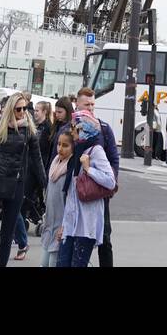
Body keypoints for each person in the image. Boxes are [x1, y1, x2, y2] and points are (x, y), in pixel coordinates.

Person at [0, 90, 46, 268]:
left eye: (25, 109)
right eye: (18, 109)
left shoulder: (30, 131)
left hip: (16, 184)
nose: (22, 112)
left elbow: (37, 160)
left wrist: (46, 187)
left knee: (7, 234)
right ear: (10, 109)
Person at [55, 112, 115, 267]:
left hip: (86, 224)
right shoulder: (77, 153)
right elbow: (70, 194)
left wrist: (89, 169)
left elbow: (110, 181)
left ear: (84, 130)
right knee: (61, 263)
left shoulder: (96, 151)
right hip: (71, 224)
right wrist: (64, 224)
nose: (72, 133)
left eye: (75, 129)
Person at [75, 83, 120, 267]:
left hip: (99, 191)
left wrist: (112, 184)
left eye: (93, 104)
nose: (91, 108)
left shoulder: (104, 128)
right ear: (77, 105)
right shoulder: (73, 129)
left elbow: (114, 159)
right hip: (76, 190)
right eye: (87, 105)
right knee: (75, 234)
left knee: (104, 236)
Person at [41, 128, 73, 267]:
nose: (60, 148)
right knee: (44, 263)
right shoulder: (55, 163)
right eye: (59, 144)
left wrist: (65, 225)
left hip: (61, 227)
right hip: (50, 225)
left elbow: (71, 202)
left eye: (65, 145)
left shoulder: (71, 169)